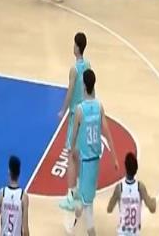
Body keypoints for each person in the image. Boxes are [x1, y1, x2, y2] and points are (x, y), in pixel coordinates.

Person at [68, 69, 119, 236]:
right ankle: (75, 214)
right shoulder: (99, 106)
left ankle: (75, 218)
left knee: (87, 210)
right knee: (85, 198)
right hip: (94, 161)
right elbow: (108, 133)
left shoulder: (80, 110)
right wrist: (114, 158)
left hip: (86, 162)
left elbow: (73, 135)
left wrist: (72, 150)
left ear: (83, 85)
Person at [57, 32, 90, 211]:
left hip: (74, 115)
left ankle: (70, 196)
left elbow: (70, 91)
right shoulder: (88, 65)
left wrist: (63, 109)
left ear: (77, 47)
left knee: (70, 155)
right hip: (84, 111)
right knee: (78, 154)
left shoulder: (74, 70)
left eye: (74, 44)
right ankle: (77, 190)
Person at [107, 152, 157, 235]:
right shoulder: (140, 187)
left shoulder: (119, 188)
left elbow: (109, 209)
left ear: (125, 168)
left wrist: (116, 198)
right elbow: (152, 209)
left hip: (122, 233)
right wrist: (153, 201)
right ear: (136, 169)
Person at [0, 155, 30, 236]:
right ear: (19, 173)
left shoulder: (2, 193)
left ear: (9, 172)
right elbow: (25, 229)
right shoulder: (23, 196)